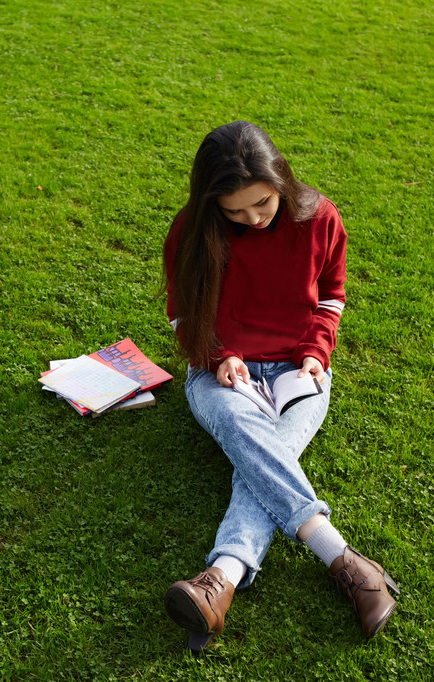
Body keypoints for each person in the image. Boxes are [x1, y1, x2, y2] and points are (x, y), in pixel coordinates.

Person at [162, 121, 400, 653]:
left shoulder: (320, 218)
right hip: (222, 373)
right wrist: (218, 356)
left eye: (263, 205)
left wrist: (315, 353)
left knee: (262, 457)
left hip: (301, 368)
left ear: (281, 181)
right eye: (236, 211)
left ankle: (219, 582)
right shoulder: (191, 231)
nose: (252, 219)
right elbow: (182, 314)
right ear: (211, 202)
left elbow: (331, 299)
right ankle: (345, 560)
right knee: (248, 433)